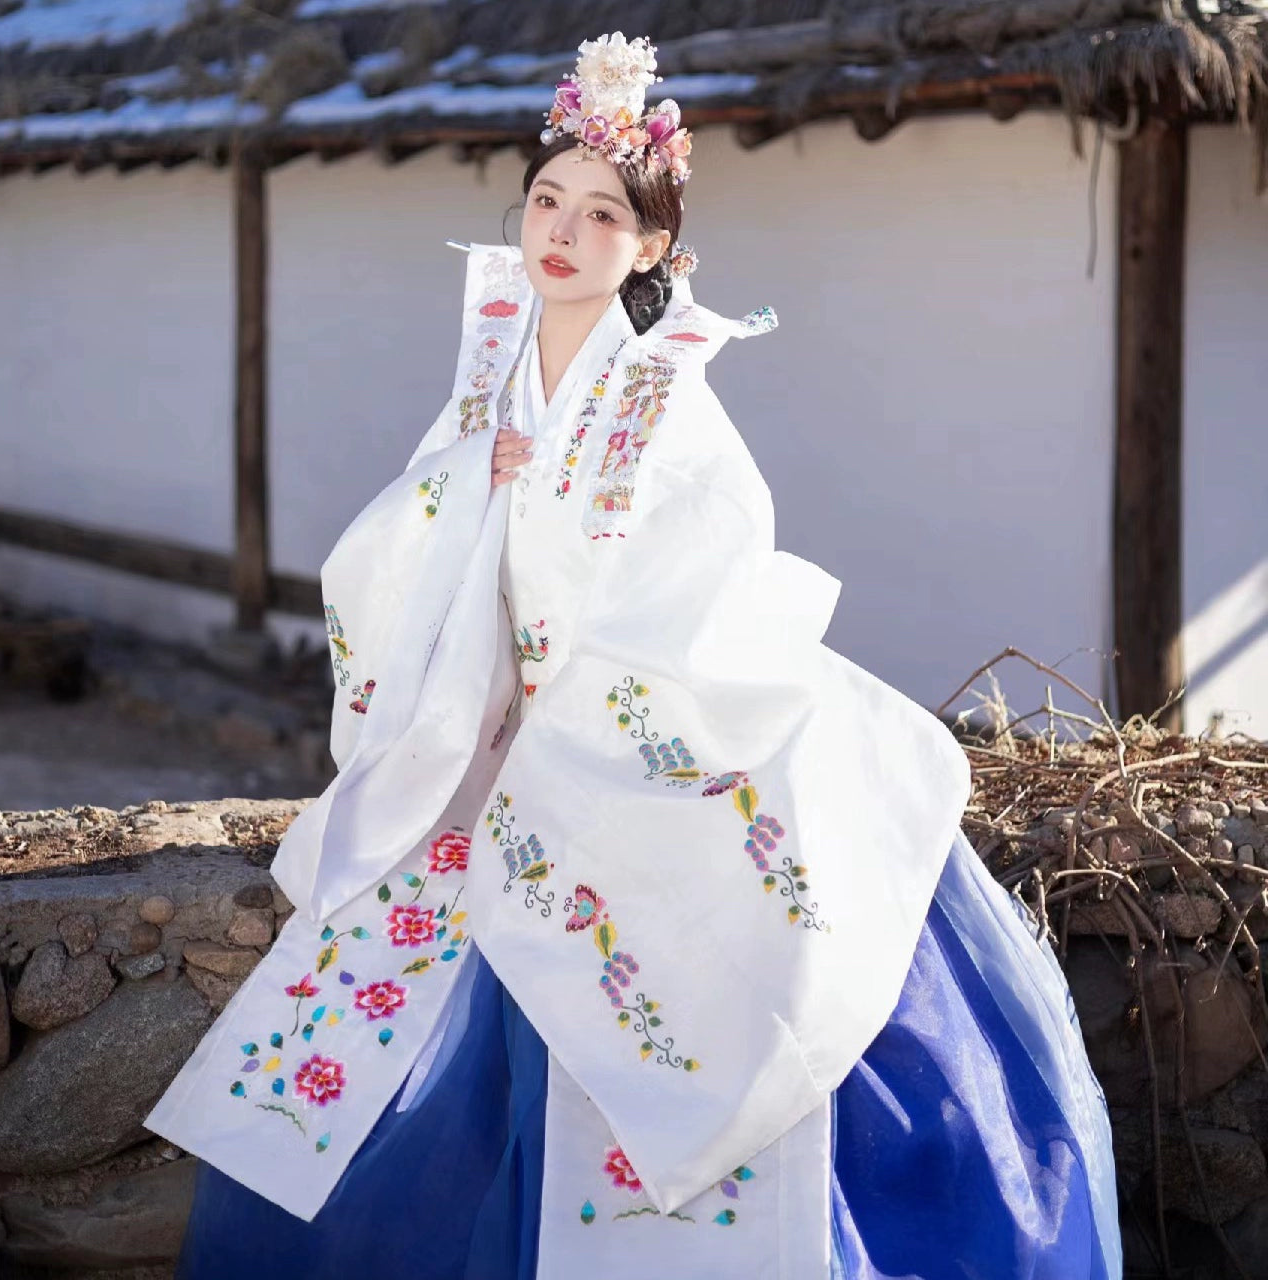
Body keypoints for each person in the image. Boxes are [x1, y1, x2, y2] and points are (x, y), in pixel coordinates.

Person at [148, 32, 1122, 1279]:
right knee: (373, 1007)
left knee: (711, 984)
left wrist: (566, 688)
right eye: (545, 200)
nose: (559, 231)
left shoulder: (671, 389)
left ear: (651, 247)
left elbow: (708, 571)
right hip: (508, 733)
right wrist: (470, 488)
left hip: (638, 737)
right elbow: (402, 543)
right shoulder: (492, 375)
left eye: (601, 213)